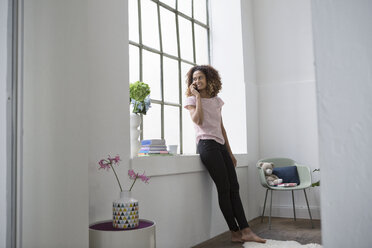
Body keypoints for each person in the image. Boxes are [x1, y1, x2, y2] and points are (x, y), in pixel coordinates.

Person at [184, 65, 266, 244]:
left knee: (234, 187)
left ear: (208, 79)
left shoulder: (216, 101)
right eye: (194, 79)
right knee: (224, 188)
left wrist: (230, 153)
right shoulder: (191, 100)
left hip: (220, 146)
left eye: (200, 78)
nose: (197, 81)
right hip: (206, 145)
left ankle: (244, 231)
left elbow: (221, 128)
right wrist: (197, 97)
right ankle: (236, 232)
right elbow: (198, 120)